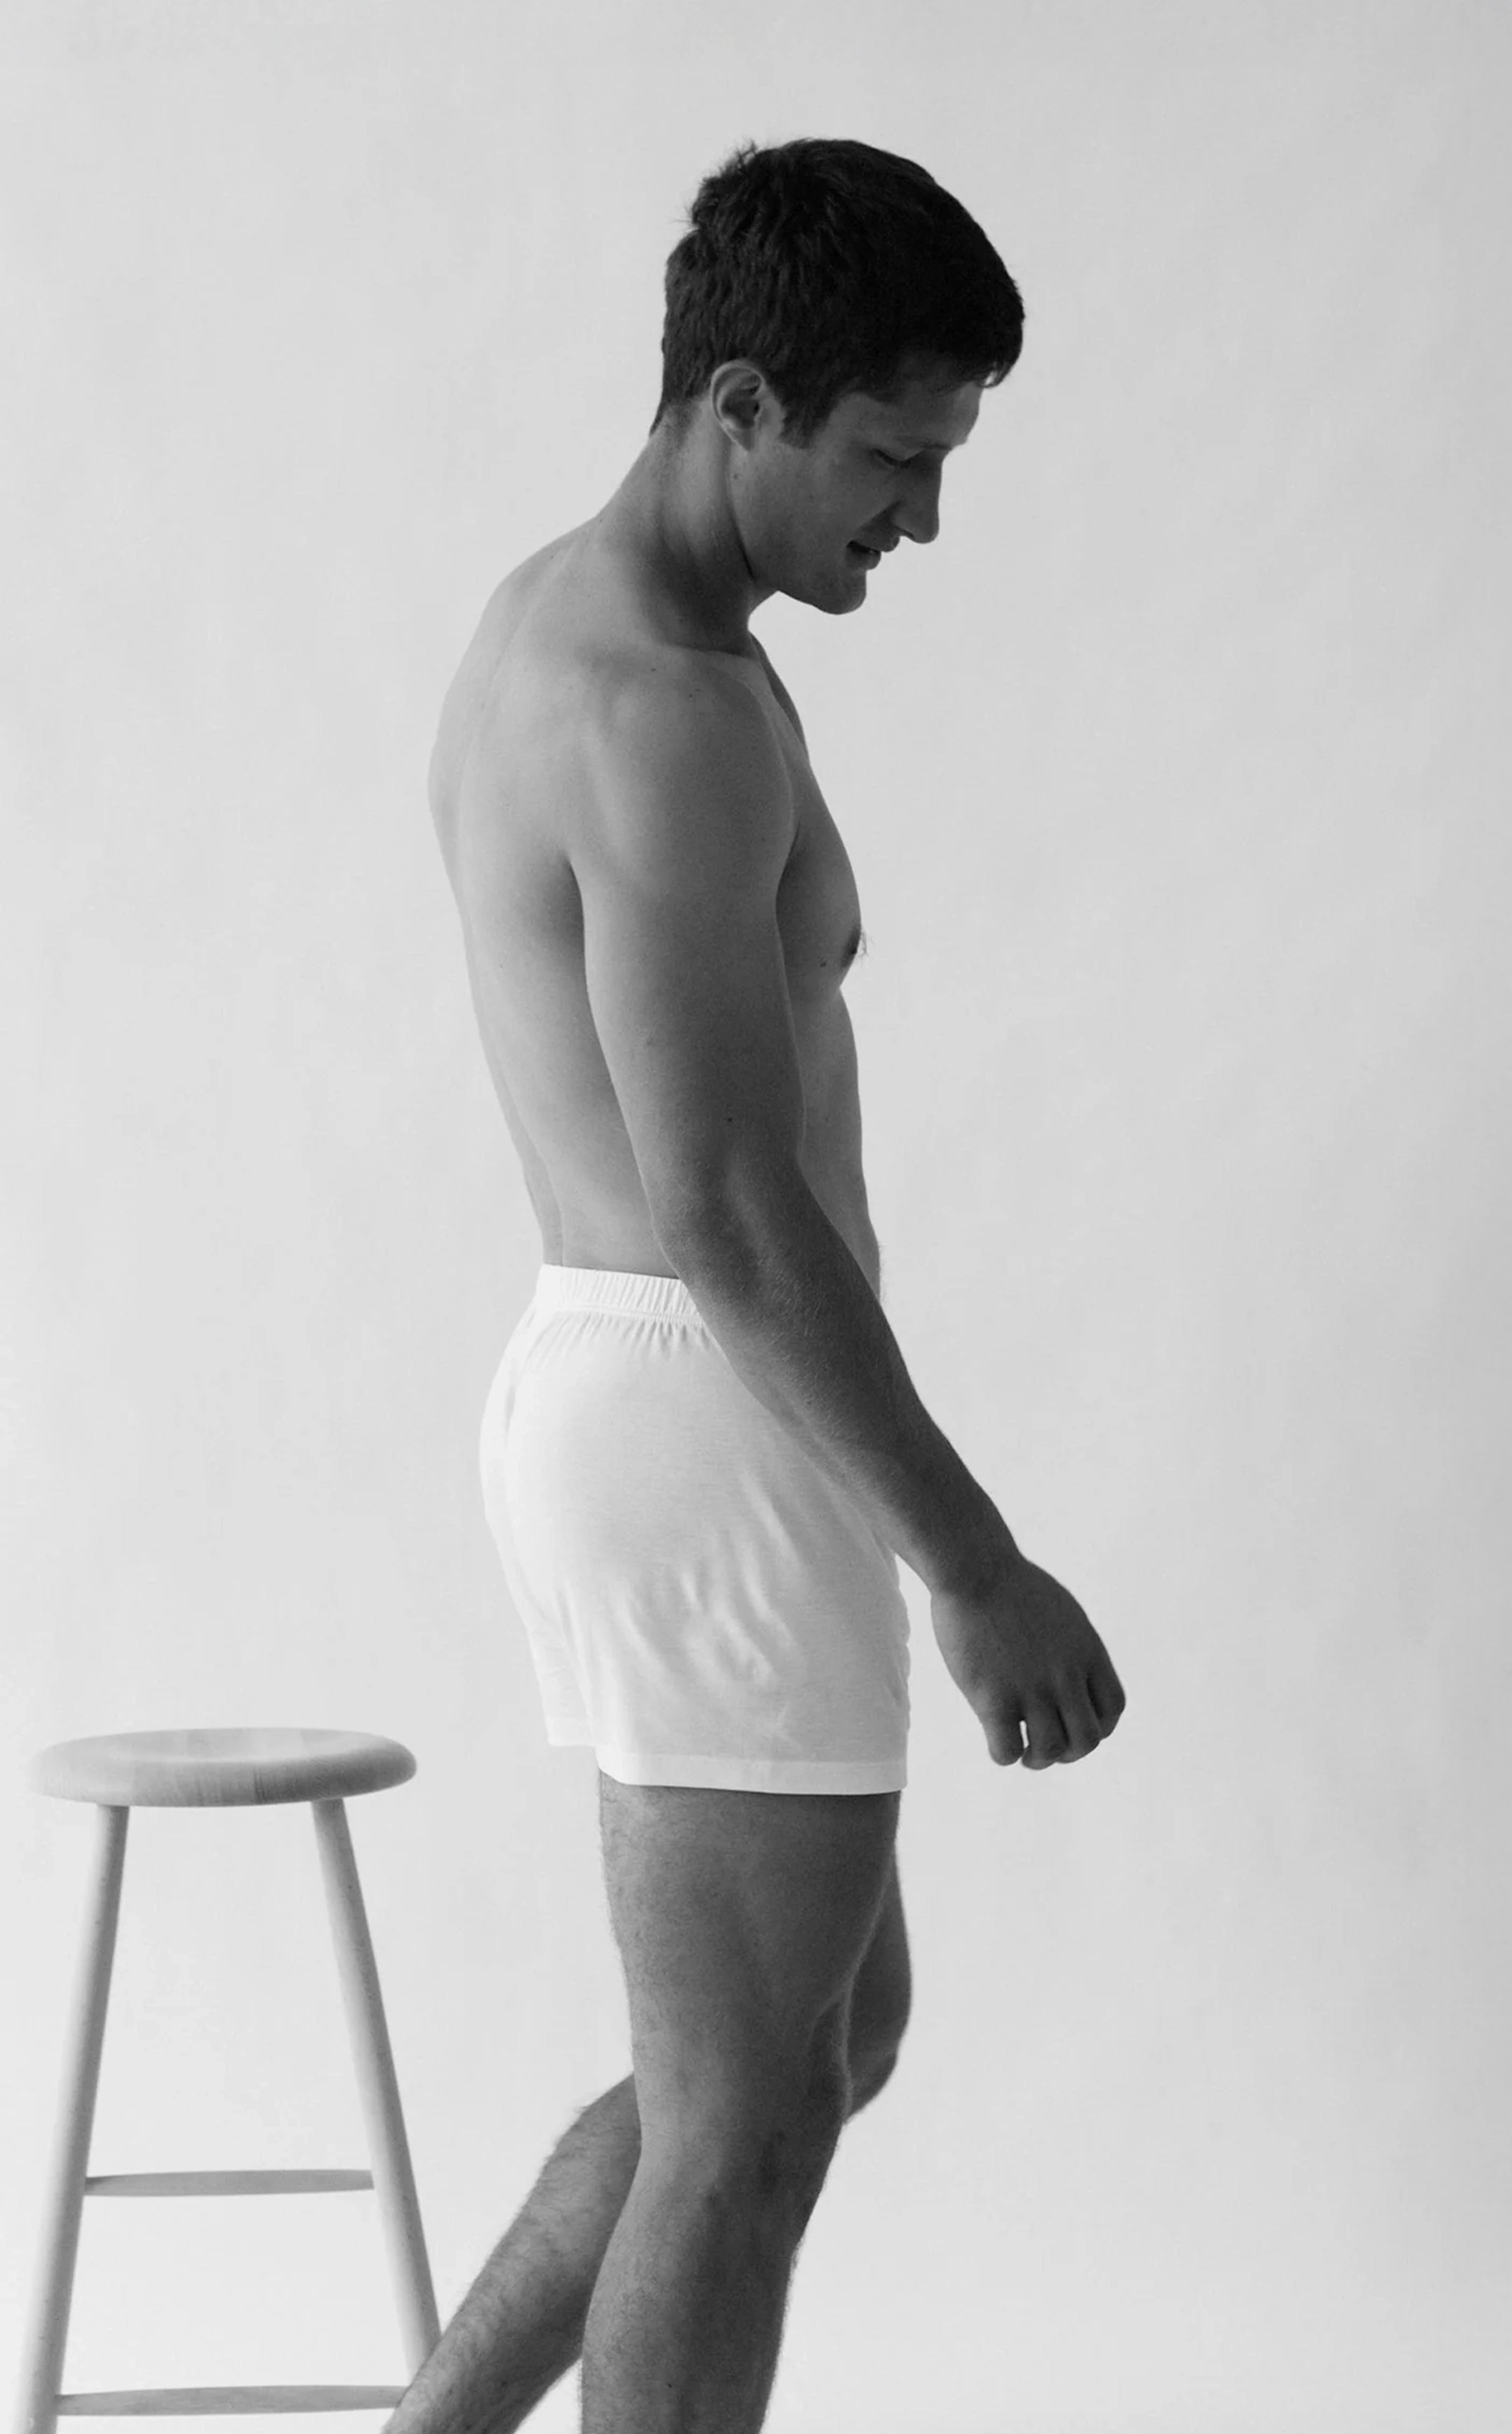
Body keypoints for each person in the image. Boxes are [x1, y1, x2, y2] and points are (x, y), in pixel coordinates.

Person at [405, 136, 1125, 2434]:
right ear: (739, 401)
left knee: (818, 2047)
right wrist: (973, 1559)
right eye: (893, 460)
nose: (919, 521)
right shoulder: (667, 715)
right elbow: (722, 1193)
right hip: (704, 1401)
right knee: (744, 2132)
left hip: (644, 1396)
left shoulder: (577, 623)